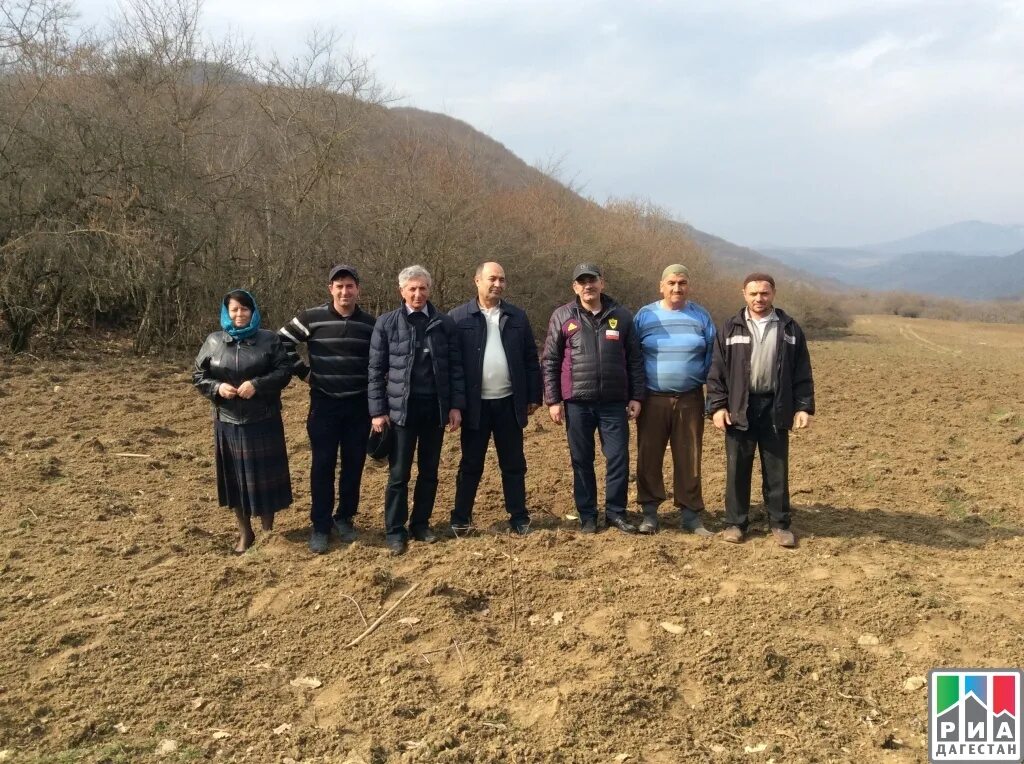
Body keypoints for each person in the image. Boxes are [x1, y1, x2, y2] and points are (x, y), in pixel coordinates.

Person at [706, 273, 815, 548]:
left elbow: (802, 371)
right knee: (737, 469)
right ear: (744, 294)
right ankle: (735, 523)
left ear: (773, 294)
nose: (759, 298)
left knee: (776, 468)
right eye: (753, 293)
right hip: (739, 407)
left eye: (764, 293)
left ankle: (780, 525)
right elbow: (716, 372)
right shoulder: (730, 327)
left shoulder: (790, 329)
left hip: (776, 406)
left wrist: (803, 407)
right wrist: (717, 406)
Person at [278, 264, 376, 555]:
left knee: (353, 464)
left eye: (350, 286)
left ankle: (344, 517)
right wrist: (303, 372)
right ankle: (320, 525)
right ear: (330, 289)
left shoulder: (370, 324)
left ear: (358, 289)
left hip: (359, 405)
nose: (345, 291)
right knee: (322, 465)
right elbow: (281, 341)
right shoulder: (312, 317)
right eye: (339, 286)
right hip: (324, 403)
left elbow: (380, 358)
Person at [368, 265, 465, 556]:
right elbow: (375, 370)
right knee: (398, 475)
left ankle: (420, 524)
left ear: (429, 290)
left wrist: (456, 406)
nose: (417, 293)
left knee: (430, 472)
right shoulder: (386, 324)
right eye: (412, 288)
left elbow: (456, 369)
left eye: (422, 288)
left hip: (434, 410)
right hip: (400, 412)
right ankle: (395, 530)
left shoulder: (444, 324)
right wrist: (377, 411)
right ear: (402, 291)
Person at [542, 263, 645, 534]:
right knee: (581, 458)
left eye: (593, 280)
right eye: (582, 281)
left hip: (614, 402)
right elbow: (551, 360)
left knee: (618, 457)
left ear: (603, 283)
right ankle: (587, 514)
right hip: (577, 402)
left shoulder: (621, 316)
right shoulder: (563, 316)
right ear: (575, 287)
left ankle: (616, 513)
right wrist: (553, 400)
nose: (588, 285)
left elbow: (635, 359)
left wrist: (637, 396)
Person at [192, 289, 293, 553]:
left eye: (244, 309)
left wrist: (257, 385)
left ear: (253, 311)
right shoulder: (213, 341)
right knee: (236, 480)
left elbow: (284, 372)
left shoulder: (268, 340)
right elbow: (198, 375)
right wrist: (217, 388)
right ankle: (245, 533)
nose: (239, 314)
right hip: (228, 422)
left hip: (263, 420)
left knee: (265, 479)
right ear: (227, 312)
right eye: (234, 309)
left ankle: (269, 532)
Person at [448, 262, 542, 536]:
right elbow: (453, 366)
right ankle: (461, 517)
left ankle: (519, 516)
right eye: (492, 279)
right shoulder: (458, 318)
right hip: (476, 407)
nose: (498, 284)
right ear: (476, 280)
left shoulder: (517, 317)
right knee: (470, 464)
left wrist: (534, 395)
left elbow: (529, 360)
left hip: (509, 403)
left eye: (502, 279)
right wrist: (456, 402)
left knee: (513, 463)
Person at [634, 264, 716, 536]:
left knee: (689, 456)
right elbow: (632, 357)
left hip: (689, 399)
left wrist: (701, 387)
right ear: (661, 286)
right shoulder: (644, 316)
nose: (677, 288)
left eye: (682, 283)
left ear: (688, 286)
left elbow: (712, 359)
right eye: (671, 283)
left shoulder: (701, 316)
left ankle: (691, 516)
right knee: (649, 456)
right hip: (652, 399)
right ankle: (649, 514)